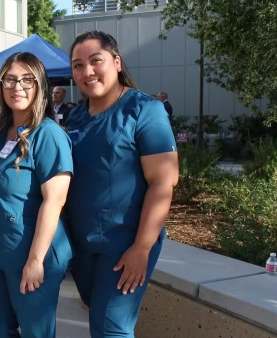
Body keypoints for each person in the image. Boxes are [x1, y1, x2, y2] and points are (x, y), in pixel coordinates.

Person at [64, 31, 179, 338]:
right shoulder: (75, 118)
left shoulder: (144, 110)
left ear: (116, 62)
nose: (87, 71)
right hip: (83, 244)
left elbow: (163, 183)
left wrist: (141, 248)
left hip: (126, 242)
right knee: (97, 319)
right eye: (77, 65)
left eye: (95, 61)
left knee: (112, 328)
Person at [0, 52, 73, 338]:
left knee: (35, 332)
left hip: (32, 252)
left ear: (40, 85)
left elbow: (55, 200)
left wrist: (35, 260)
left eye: (27, 80)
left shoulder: (48, 134)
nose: (18, 86)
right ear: (0, 86)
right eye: (10, 79)